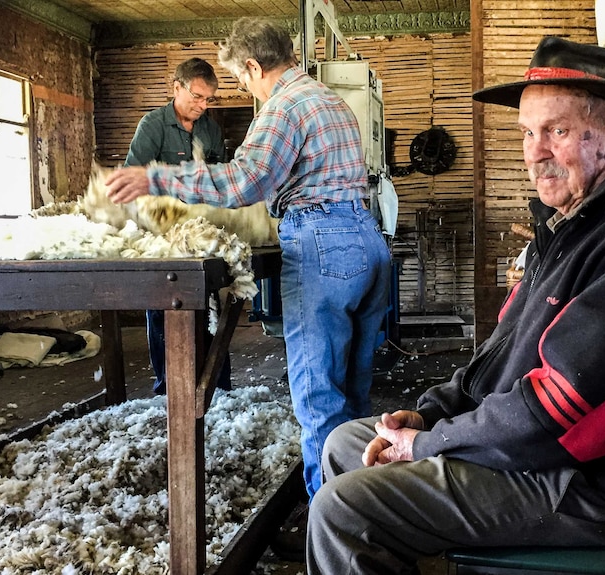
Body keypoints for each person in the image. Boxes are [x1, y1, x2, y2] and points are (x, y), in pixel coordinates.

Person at [306, 36, 605, 573]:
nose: (535, 152)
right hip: (545, 461)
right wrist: (429, 413)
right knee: (346, 444)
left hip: (597, 487)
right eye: (527, 133)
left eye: (557, 131)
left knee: (345, 510)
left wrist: (428, 445)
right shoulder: (573, 225)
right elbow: (498, 359)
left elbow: (562, 411)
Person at [104, 16, 392, 549]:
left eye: (242, 79)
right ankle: (366, 517)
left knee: (317, 400)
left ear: (256, 65)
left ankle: (328, 535)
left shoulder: (282, 104)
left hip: (323, 243)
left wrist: (155, 178)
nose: (245, 88)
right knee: (354, 397)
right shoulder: (327, 99)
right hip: (367, 239)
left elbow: (241, 182)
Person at [123, 57, 229, 395]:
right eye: (196, 96)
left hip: (198, 232)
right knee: (161, 306)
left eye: (208, 99)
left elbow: (220, 180)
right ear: (177, 88)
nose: (202, 105)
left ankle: (216, 385)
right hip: (161, 232)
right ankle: (168, 387)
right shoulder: (153, 125)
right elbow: (135, 177)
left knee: (208, 303)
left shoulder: (210, 130)